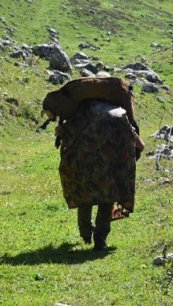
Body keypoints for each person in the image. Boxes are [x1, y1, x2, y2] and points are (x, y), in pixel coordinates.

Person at [53, 99, 141, 250]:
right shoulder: (119, 113)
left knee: (85, 197)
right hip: (110, 166)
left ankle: (85, 231)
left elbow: (64, 132)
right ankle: (100, 237)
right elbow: (138, 144)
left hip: (84, 165)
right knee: (107, 199)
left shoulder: (82, 111)